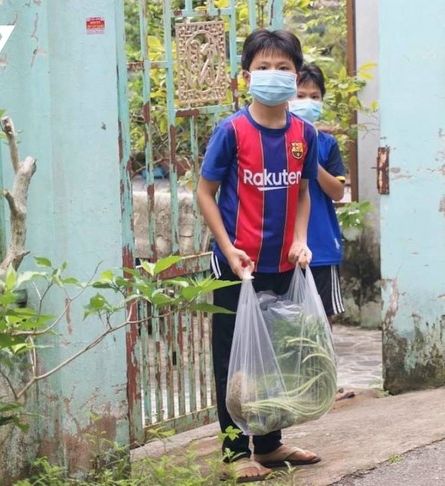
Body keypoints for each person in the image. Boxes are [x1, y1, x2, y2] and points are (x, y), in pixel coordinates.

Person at [196, 28, 322, 483]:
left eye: (283, 67)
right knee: (233, 360)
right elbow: (205, 193)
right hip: (237, 266)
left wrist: (300, 239)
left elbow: (304, 193)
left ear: (297, 74)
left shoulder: (303, 134)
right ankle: (234, 453)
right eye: (263, 67)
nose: (273, 75)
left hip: (283, 264)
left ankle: (269, 445)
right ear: (246, 75)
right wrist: (228, 249)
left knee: (275, 355)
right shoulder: (232, 131)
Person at [288, 63, 354, 401]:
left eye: (314, 96)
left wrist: (311, 162)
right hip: (284, 247)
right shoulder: (275, 138)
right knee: (286, 317)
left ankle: (326, 383)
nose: (307, 101)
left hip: (321, 245)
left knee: (322, 316)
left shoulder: (326, 144)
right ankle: (294, 383)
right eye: (300, 95)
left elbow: (337, 192)